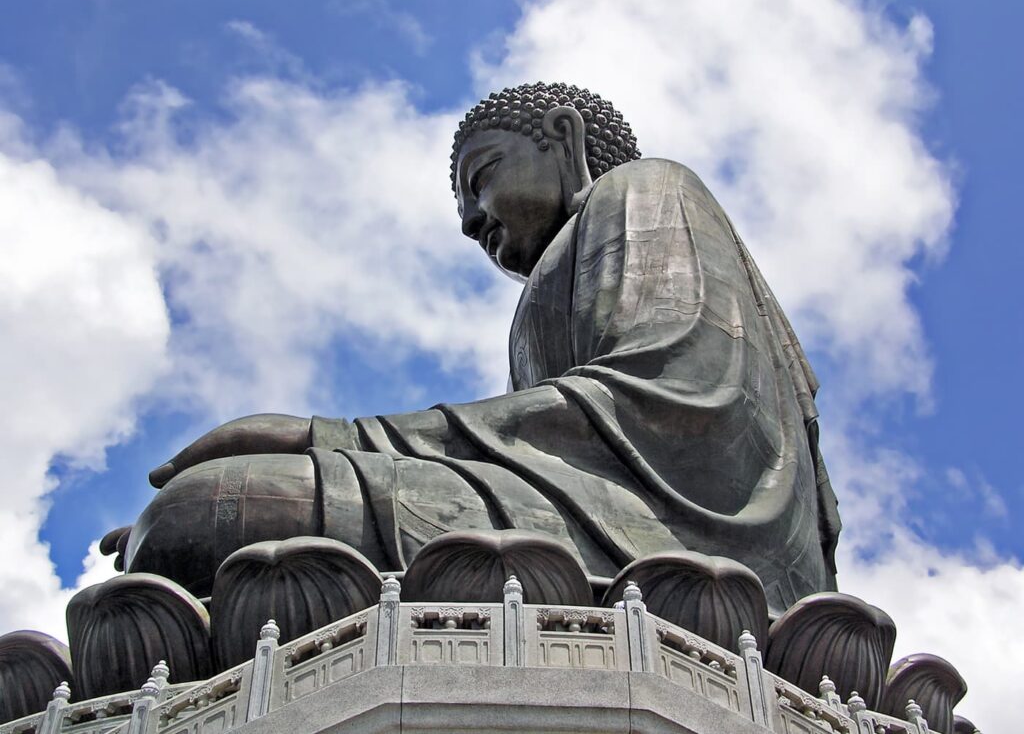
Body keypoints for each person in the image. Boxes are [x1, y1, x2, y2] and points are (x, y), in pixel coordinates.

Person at [117, 83, 841, 616]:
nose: (470, 220)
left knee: (196, 511)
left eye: (481, 177)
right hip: (575, 512)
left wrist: (330, 438)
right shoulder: (555, 280)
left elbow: (671, 401)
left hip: (678, 541)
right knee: (198, 522)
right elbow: (537, 452)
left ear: (562, 137)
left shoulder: (645, 189)